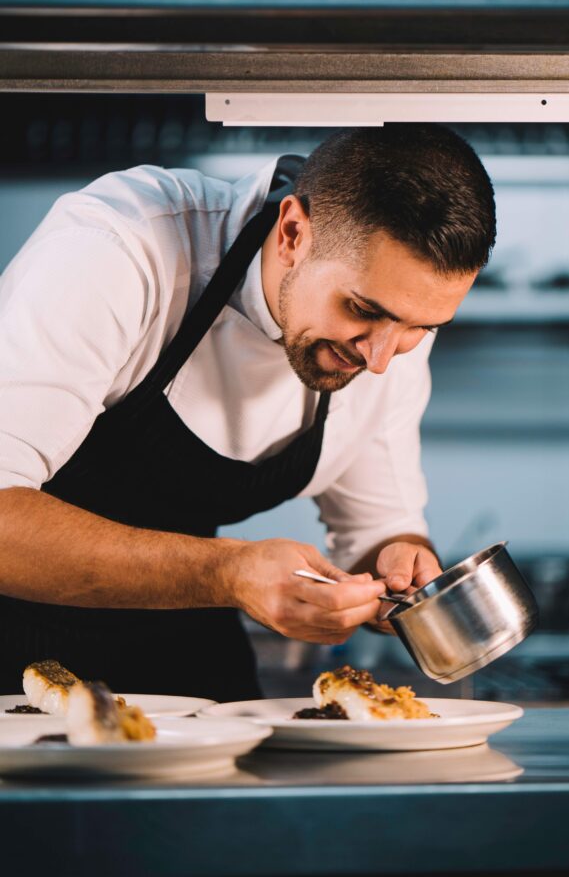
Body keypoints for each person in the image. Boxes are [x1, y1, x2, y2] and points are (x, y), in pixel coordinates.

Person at [0, 124, 496, 700]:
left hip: (187, 668)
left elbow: (379, 527)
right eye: (360, 309)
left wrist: (398, 570)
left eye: (421, 328)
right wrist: (229, 573)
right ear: (292, 233)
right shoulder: (120, 248)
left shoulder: (389, 327)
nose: (382, 359)